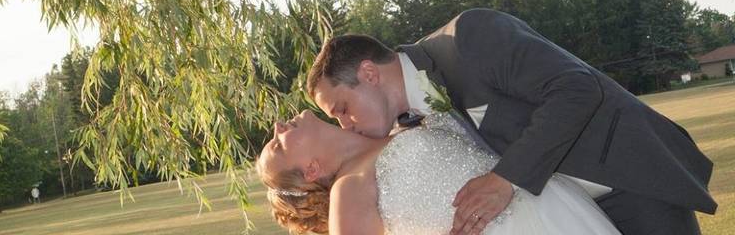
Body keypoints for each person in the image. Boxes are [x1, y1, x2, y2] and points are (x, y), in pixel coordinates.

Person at [307, 9, 716, 235]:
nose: (347, 124)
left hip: (625, 180)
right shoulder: (409, 126)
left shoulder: (468, 39)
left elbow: (577, 90)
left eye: (342, 108)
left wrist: (504, 181)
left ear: (369, 73)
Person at [256, 108, 622, 235]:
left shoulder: (388, 124)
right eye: (278, 146)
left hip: (550, 207)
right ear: (311, 170)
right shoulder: (348, 188)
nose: (277, 127)